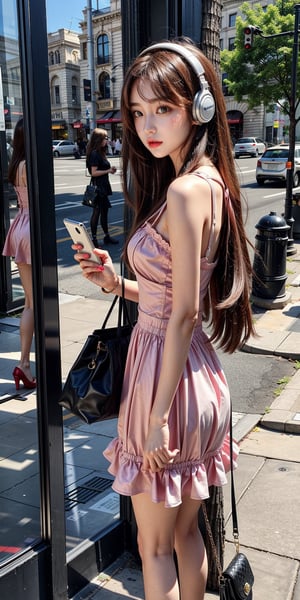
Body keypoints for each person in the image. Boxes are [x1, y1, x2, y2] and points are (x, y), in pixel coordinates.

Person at [73, 38, 255, 600]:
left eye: (163, 108)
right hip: (199, 378)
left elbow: (179, 316)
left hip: (164, 381)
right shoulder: (211, 182)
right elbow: (174, 297)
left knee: (154, 546)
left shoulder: (181, 191)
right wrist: (115, 282)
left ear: (198, 108)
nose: (148, 125)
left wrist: (153, 420)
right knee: (185, 534)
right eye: (138, 111)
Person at [2, 118, 36, 390]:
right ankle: (24, 363)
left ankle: (24, 364)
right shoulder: (31, 165)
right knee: (33, 304)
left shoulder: (16, 164)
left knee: (28, 301)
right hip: (32, 228)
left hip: (19, 226)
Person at [86, 128, 118, 247]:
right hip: (98, 188)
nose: (107, 140)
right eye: (105, 138)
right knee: (97, 212)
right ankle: (94, 240)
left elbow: (100, 170)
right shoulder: (94, 153)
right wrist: (108, 170)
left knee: (104, 212)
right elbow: (93, 172)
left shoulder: (100, 152)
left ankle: (106, 236)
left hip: (103, 187)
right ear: (99, 139)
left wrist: (109, 171)